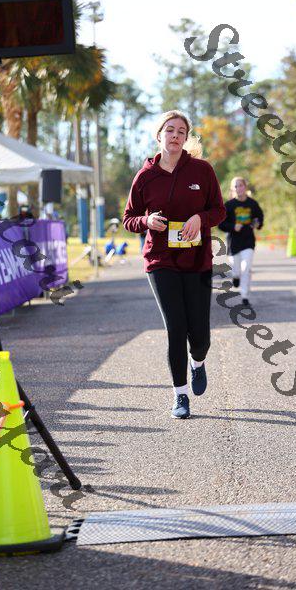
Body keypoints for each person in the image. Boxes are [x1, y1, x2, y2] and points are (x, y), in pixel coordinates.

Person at [123, 110, 226, 419]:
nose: (176, 135)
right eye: (170, 130)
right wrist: (146, 221)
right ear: (159, 136)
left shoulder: (202, 171)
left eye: (181, 131)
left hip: (197, 261)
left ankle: (198, 362)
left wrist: (200, 218)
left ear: (186, 137)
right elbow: (129, 219)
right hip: (160, 260)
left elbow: (219, 210)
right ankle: (180, 395)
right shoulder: (145, 176)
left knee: (200, 335)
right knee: (176, 328)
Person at [218, 177, 264, 306]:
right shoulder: (229, 205)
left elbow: (259, 217)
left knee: (246, 268)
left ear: (245, 187)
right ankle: (235, 276)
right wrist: (233, 227)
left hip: (248, 241)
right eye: (236, 186)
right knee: (236, 270)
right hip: (233, 243)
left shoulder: (252, 204)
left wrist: (257, 223)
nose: (238, 188)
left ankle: (245, 296)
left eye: (241, 185)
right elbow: (221, 224)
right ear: (232, 189)